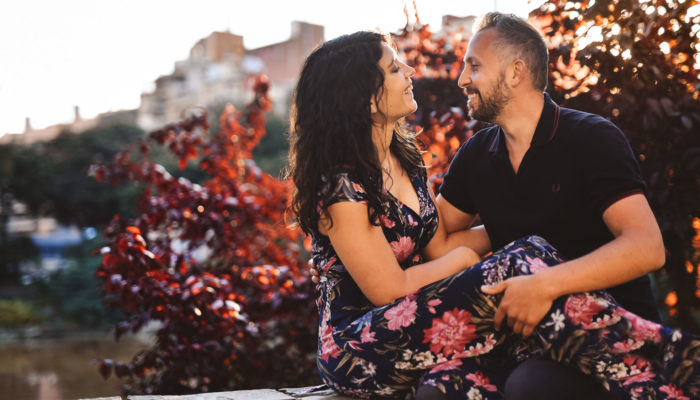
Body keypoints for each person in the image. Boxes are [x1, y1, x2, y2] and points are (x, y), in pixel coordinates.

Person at [288, 30, 699, 400]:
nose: (411, 71)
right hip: (359, 343)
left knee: (450, 386)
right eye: (395, 68)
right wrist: (469, 259)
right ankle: (673, 358)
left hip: (419, 321)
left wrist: (521, 229)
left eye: (474, 65)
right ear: (364, 98)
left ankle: (659, 369)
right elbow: (394, 285)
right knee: (521, 259)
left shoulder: (405, 160)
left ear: (516, 71)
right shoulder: (341, 186)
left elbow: (435, 242)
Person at [436, 12, 669, 399]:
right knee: (440, 388)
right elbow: (438, 239)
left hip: (611, 335)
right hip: (527, 339)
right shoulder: (476, 155)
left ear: (515, 72)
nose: (462, 79)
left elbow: (647, 247)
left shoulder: (592, 138)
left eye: (473, 66)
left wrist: (543, 285)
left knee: (531, 386)